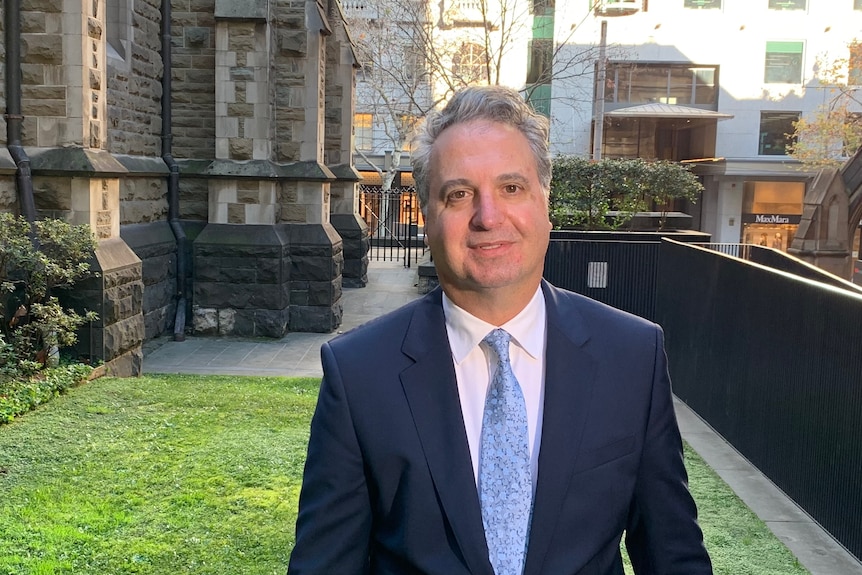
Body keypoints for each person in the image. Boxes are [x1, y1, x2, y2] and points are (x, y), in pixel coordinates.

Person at [287, 85, 713, 575]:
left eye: (511, 188)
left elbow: (673, 555)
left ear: (544, 204)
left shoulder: (632, 355)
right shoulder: (360, 373)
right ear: (426, 217)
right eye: (459, 194)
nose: (488, 217)